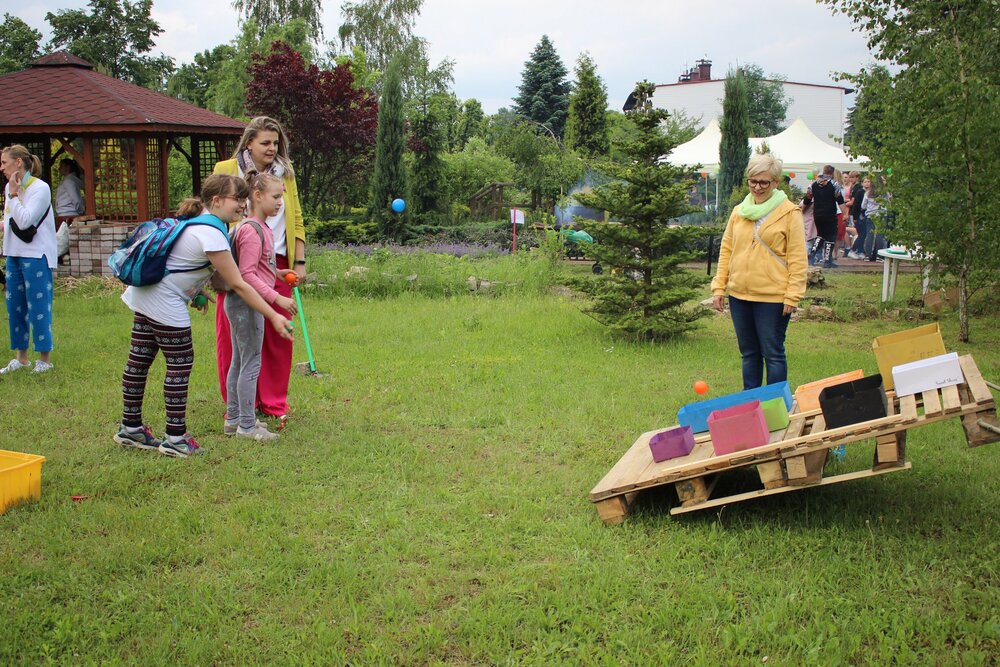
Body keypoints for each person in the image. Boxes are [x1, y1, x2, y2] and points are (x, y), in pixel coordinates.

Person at [114, 174, 293, 458]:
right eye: (237, 199)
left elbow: (186, 264)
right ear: (217, 200)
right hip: (164, 303)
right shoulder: (211, 231)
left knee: (139, 362)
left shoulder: (199, 223)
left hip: (144, 296)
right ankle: (175, 438)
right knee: (179, 366)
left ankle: (130, 428)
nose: (241, 204)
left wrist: (197, 293)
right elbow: (237, 283)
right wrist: (273, 314)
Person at [213, 116, 306, 424]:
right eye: (265, 142)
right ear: (249, 142)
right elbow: (213, 215)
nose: (271, 148)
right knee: (236, 337)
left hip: (276, 262)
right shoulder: (226, 169)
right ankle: (239, 404)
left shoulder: (285, 173)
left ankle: (274, 400)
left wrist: (299, 261)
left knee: (278, 335)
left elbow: (297, 217)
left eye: (276, 143)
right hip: (238, 263)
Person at [711, 153, 807, 390]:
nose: (757, 187)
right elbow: (727, 250)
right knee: (749, 354)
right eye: (752, 181)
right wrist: (719, 286)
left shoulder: (789, 212)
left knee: (772, 353)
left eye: (764, 182)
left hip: (772, 297)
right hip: (740, 295)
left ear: (775, 183)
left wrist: (793, 295)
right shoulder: (739, 211)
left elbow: (797, 257)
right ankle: (750, 406)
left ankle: (775, 408)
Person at [224, 172, 297, 442]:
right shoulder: (252, 230)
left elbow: (258, 268)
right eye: (275, 196)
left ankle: (233, 419)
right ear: (257, 196)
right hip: (246, 304)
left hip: (243, 303)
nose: (280, 203)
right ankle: (246, 425)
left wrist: (276, 273)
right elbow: (247, 276)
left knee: (240, 360)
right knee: (251, 361)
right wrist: (276, 298)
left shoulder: (258, 227)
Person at [1, 144, 57, 374]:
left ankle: (44, 360)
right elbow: (11, 220)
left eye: (4, 162)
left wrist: (14, 195)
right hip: (14, 253)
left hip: (36, 255)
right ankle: (21, 358)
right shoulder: (8, 188)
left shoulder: (40, 189)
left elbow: (25, 222)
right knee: (15, 307)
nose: (1, 167)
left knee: (38, 307)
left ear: (19, 163)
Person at [803, 165, 844, 269]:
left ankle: (812, 253)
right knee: (831, 235)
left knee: (821, 234)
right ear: (832, 173)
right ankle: (827, 260)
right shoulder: (834, 184)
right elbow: (840, 200)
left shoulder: (813, 184)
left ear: (823, 171)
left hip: (817, 214)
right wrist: (845, 214)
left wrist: (801, 209)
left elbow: (807, 198)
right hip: (830, 214)